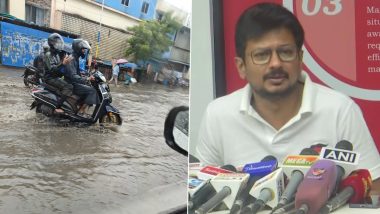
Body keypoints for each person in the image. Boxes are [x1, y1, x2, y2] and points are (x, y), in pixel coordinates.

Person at [195, 3, 380, 183]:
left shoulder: (340, 110)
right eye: (261, 55)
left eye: (285, 52)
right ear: (241, 67)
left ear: (300, 59)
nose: (275, 63)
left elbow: (374, 186)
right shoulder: (217, 114)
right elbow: (200, 188)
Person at [64, 39, 99, 117]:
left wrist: (84, 75)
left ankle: (78, 105)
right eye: (83, 49)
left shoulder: (75, 58)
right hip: (70, 83)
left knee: (89, 87)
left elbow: (76, 72)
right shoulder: (71, 58)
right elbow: (73, 76)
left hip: (73, 82)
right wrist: (86, 79)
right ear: (78, 48)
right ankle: (81, 111)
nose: (84, 51)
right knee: (92, 91)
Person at [43, 33, 74, 114]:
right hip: (49, 78)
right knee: (68, 87)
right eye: (56, 43)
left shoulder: (56, 55)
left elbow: (59, 68)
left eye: (59, 43)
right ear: (52, 44)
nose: (59, 45)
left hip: (55, 76)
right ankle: (58, 107)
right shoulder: (48, 55)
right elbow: (52, 69)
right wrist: (63, 63)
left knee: (70, 82)